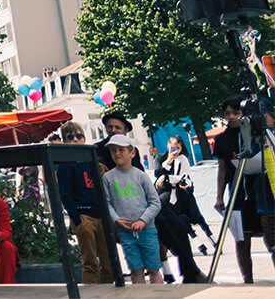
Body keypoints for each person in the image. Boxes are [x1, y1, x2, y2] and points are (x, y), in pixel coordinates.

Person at [95, 111, 200, 282]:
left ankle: (191, 273)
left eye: (117, 127)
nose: (113, 130)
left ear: (125, 131)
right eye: (110, 127)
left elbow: (142, 180)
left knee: (178, 226)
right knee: (157, 229)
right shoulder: (99, 150)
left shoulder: (132, 150)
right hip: (122, 208)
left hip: (143, 202)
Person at [213, 95, 275, 284]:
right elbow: (222, 169)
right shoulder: (222, 139)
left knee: (270, 237)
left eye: (236, 113)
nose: (231, 117)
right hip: (238, 195)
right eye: (227, 114)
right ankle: (247, 281)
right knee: (242, 240)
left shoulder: (261, 134)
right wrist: (220, 197)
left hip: (263, 194)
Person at [55, 121, 113, 284]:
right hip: (83, 215)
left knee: (108, 261)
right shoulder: (65, 166)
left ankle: (108, 293)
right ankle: (90, 293)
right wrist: (77, 218)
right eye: (70, 137)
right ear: (64, 141)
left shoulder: (93, 162)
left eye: (79, 136)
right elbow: (65, 194)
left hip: (101, 215)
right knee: (90, 262)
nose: (75, 140)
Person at [102, 134, 164, 284]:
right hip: (126, 232)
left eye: (121, 150)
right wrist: (117, 220)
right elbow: (107, 203)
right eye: (113, 150)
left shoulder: (141, 176)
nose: (117, 153)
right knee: (136, 271)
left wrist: (143, 221)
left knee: (153, 270)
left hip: (147, 230)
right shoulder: (107, 178)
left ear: (132, 153)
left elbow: (155, 202)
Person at [156, 135, 213, 251]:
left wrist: (166, 178)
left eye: (177, 147)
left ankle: (213, 239)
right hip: (166, 191)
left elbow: (183, 176)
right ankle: (189, 241)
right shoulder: (160, 158)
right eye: (173, 147)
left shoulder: (183, 159)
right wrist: (168, 161)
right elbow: (157, 173)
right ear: (168, 146)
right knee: (164, 215)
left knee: (196, 216)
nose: (175, 150)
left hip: (181, 191)